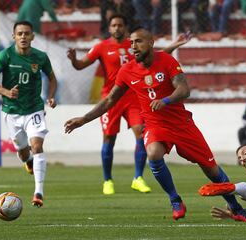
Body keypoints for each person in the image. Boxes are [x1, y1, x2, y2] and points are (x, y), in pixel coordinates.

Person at [64, 26, 246, 221]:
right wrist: (84, 119)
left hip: (182, 124)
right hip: (155, 125)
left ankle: (236, 208)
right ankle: (175, 200)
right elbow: (110, 100)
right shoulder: (127, 70)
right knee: (153, 153)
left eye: (138, 41)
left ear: (151, 43)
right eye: (131, 43)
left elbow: (184, 89)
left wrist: (166, 100)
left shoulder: (167, 61)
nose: (133, 47)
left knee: (212, 170)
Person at [67, 14, 192, 195]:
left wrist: (174, 45)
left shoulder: (134, 44)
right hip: (111, 97)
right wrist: (73, 60)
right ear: (109, 28)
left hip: (133, 97)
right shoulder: (101, 47)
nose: (116, 28)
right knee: (109, 138)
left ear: (125, 27)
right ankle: (107, 180)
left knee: (141, 133)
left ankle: (138, 178)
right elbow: (80, 66)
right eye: (113, 25)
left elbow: (157, 56)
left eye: (120, 25)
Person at [0, 21, 57, 207]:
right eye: (20, 34)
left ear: (33, 36)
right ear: (14, 36)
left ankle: (38, 193)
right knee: (23, 150)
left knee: (37, 145)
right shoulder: (5, 55)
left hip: (34, 108)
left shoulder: (40, 57)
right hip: (12, 111)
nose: (23, 37)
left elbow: (52, 79)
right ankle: (28, 161)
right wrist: (7, 92)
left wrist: (50, 97)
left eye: (27, 33)